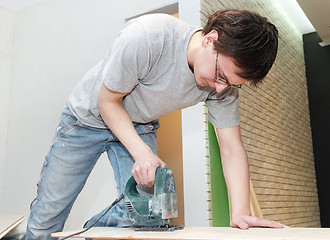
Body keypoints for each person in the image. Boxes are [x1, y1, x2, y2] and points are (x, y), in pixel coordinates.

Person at [25, 9, 282, 240]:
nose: (220, 88)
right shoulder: (148, 36)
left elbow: (231, 149)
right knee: (48, 216)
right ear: (210, 39)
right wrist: (141, 153)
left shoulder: (222, 89)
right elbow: (108, 101)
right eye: (220, 76)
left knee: (147, 214)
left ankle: (87, 234)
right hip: (87, 118)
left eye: (232, 84)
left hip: (140, 123)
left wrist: (240, 213)